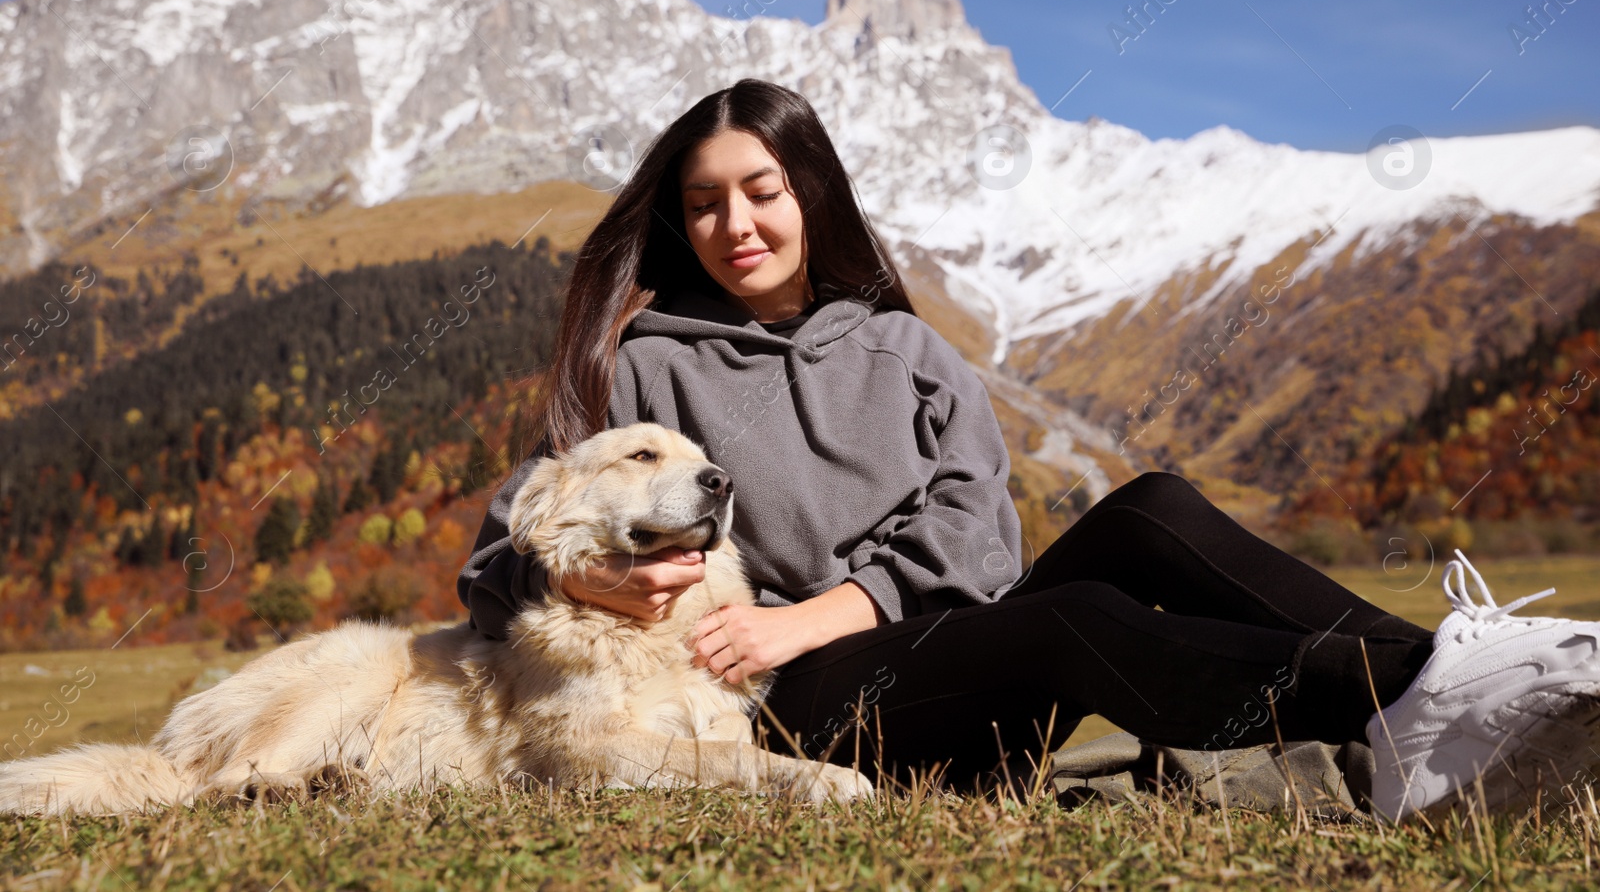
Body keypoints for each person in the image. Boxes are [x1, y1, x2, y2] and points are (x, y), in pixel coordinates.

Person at [458, 78, 1600, 823]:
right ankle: (1422, 698)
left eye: (761, 190)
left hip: (914, 638)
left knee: (1147, 505)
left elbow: (979, 532)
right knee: (1076, 617)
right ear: (680, 222)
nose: (735, 225)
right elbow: (498, 551)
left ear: (810, 192)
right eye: (703, 204)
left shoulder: (905, 347)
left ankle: (1467, 670)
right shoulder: (647, 367)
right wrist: (579, 570)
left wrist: (830, 604)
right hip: (797, 700)